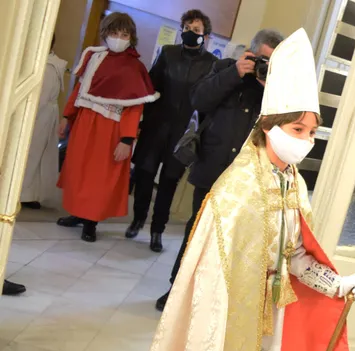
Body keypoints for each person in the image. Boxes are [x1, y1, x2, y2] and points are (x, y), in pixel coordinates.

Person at [124, 29, 355, 351]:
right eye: (297, 130)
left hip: (266, 324)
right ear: (269, 126)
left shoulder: (293, 184)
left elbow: (296, 256)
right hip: (222, 325)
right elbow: (211, 272)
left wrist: (337, 284)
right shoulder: (236, 190)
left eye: (312, 132)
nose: (306, 140)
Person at [153, 28, 282, 311]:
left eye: (272, 62)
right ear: (250, 53)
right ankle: (176, 290)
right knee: (197, 232)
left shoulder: (278, 89)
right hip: (212, 169)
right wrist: (235, 73)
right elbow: (199, 100)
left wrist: (270, 86)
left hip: (247, 179)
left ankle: (209, 299)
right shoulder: (224, 68)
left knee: (231, 241)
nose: (265, 66)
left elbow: (281, 128)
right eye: (262, 60)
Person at [55, 12, 158, 242]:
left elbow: (133, 107)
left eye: (124, 34)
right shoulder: (94, 57)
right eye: (114, 33)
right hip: (85, 122)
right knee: (79, 170)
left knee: (100, 177)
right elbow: (79, 90)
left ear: (131, 38)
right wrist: (67, 117)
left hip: (111, 128)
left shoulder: (134, 68)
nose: (118, 38)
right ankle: (78, 213)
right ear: (105, 33)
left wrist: (126, 140)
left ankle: (91, 222)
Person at [126, 9, 217, 252]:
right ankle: (138, 219)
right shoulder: (168, 53)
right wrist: (140, 121)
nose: (190, 33)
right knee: (144, 176)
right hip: (156, 126)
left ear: (205, 36)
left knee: (168, 183)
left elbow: (208, 102)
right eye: (186, 28)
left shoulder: (211, 64)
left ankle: (157, 230)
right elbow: (151, 86)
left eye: (196, 30)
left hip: (183, 134)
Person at [20, 35, 65, 210]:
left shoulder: (50, 65)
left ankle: (26, 193)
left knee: (33, 153)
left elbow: (43, 96)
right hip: (37, 111)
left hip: (40, 113)